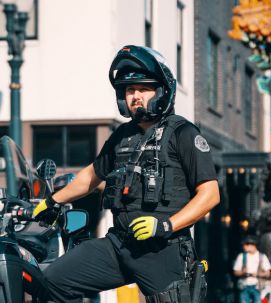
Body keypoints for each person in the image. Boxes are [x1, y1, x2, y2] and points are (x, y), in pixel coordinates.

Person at [32, 45, 220, 303]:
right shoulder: (122, 135)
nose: (135, 96)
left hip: (162, 248)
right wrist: (53, 201)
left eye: (143, 89)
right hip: (118, 244)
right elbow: (92, 175)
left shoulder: (184, 134)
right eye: (130, 91)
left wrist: (166, 225)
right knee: (53, 280)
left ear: (162, 91)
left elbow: (210, 194)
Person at [233, 235, 271, 303]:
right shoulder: (241, 256)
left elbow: (268, 273)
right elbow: (235, 272)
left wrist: (258, 274)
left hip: (257, 286)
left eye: (247, 244)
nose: (244, 246)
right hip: (244, 286)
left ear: (254, 245)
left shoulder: (262, 257)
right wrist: (242, 273)